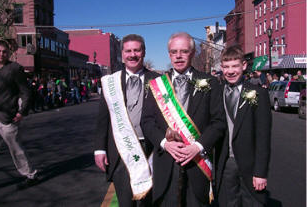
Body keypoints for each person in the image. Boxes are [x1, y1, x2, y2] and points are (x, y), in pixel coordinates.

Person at [141, 32, 225, 206]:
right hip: (166, 163)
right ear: (169, 54)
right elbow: (147, 121)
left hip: (197, 163)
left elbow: (218, 122)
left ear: (192, 53)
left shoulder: (210, 82)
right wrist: (165, 143)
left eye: (184, 51)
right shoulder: (157, 85)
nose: (178, 56)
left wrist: (198, 147)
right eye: (173, 52)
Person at [94, 34, 159, 207]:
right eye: (128, 51)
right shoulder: (110, 82)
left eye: (137, 50)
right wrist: (99, 149)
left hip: (150, 149)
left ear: (143, 52)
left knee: (148, 201)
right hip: (120, 150)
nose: (132, 55)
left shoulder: (158, 80)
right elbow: (103, 119)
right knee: (125, 201)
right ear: (122, 54)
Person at [215, 45, 271, 207]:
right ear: (221, 68)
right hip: (225, 162)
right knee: (228, 203)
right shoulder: (217, 92)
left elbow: (263, 136)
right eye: (226, 67)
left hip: (250, 163)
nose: (230, 71)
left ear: (244, 66)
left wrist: (260, 172)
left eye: (235, 66)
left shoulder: (258, 94)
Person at [0, 40, 38, 189]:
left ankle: (30, 175)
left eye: (4, 51)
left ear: (8, 53)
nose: (1, 54)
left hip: (7, 118)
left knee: (16, 150)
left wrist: (22, 112)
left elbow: (26, 92)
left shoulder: (15, 69)